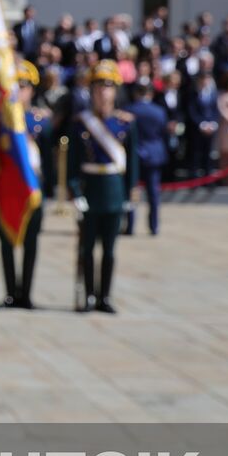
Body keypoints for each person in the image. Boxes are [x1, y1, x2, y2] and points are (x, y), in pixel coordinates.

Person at [68, 61, 138, 314]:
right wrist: (76, 193)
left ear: (115, 90)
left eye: (107, 87)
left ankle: (105, 297)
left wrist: (129, 194)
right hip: (90, 190)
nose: (102, 92)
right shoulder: (81, 123)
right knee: (87, 248)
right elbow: (73, 163)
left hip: (114, 190)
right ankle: (88, 296)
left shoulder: (125, 123)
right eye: (98, 87)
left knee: (109, 250)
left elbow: (132, 164)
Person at [0, 60, 50, 308]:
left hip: (32, 187)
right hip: (7, 186)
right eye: (14, 85)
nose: (19, 90)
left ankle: (25, 293)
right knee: (6, 240)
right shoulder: (0, 120)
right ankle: (9, 292)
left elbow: (48, 160)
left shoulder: (40, 121)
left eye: (24, 86)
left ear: (32, 90)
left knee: (31, 242)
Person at [124, 82, 168, 236]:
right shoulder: (159, 111)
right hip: (154, 153)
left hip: (134, 154)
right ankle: (154, 226)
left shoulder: (129, 110)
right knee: (153, 193)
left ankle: (130, 225)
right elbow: (163, 132)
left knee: (131, 190)